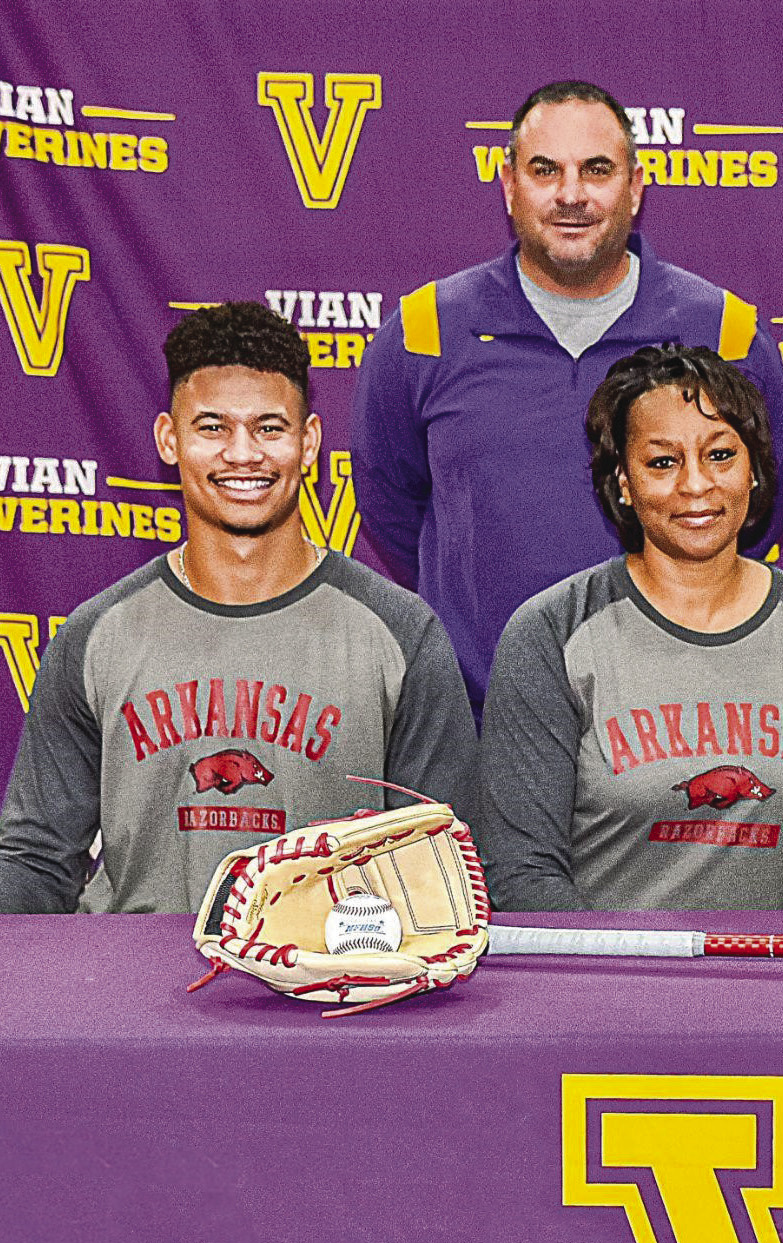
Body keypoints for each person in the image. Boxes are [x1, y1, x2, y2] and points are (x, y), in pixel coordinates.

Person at [0, 303, 476, 914]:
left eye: (271, 428)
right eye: (213, 428)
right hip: (127, 995)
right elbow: (35, 859)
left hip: (327, 993)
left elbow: (443, 868)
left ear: (309, 443)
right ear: (170, 440)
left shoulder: (402, 635)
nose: (243, 454)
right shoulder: (97, 635)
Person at [353, 80, 783, 716]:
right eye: (545, 170)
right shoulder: (425, 329)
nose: (571, 194)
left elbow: (758, 511)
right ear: (509, 185)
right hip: (479, 721)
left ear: (636, 185)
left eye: (596, 169)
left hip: (670, 716)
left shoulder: (722, 329)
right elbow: (393, 508)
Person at [478, 345, 783, 911]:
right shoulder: (552, 633)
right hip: (601, 987)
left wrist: (774, 971)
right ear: (623, 481)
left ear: (755, 469)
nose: (696, 484)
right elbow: (522, 870)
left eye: (720, 455)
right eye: (663, 462)